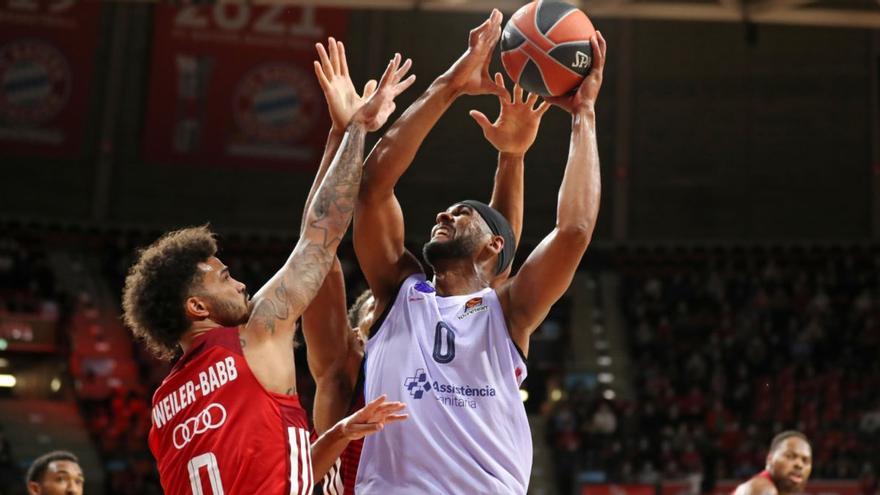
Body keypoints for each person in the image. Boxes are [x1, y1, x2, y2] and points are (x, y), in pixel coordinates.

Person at [121, 52, 415, 495]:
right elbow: (319, 238)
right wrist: (356, 130)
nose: (240, 283)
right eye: (222, 278)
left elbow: (273, 473)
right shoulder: (251, 336)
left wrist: (337, 434)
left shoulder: (163, 406)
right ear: (197, 306)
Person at [352, 8, 607, 493]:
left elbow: (574, 230)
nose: (443, 216)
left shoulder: (507, 311)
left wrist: (584, 115)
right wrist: (449, 84)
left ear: (492, 246)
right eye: (445, 212)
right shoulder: (397, 292)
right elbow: (373, 188)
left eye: (461, 212)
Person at [302, 37, 539, 493]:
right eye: (382, 311)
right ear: (363, 334)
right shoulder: (342, 366)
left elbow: (491, 272)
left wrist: (512, 157)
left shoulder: (436, 337)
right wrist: (344, 136)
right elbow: (315, 249)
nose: (420, 311)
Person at [733, 431, 813, 495]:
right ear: (769, 459)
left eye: (805, 461)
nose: (799, 465)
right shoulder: (763, 489)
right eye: (790, 456)